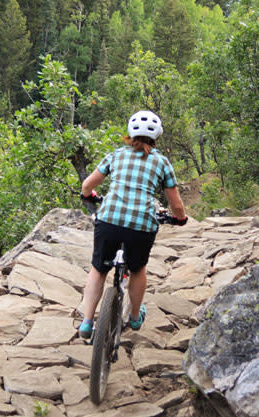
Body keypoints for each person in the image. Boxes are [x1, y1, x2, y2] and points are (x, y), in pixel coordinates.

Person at [77, 110, 188, 339]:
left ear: (129, 132)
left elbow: (87, 186)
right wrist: (180, 218)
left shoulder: (116, 156)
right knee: (137, 269)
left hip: (108, 221)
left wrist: (89, 195)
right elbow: (175, 204)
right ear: (156, 136)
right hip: (141, 227)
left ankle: (87, 322)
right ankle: (135, 317)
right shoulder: (162, 162)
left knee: (99, 270)